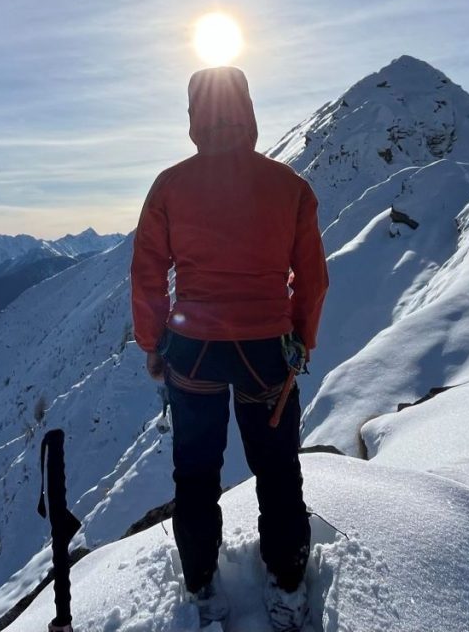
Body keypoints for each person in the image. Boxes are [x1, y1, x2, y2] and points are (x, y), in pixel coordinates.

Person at [130, 66, 328, 630]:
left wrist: (152, 343)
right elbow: (311, 279)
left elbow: (147, 274)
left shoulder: (170, 186)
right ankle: (288, 587)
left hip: (192, 352)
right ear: (248, 112)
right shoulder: (290, 187)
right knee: (278, 470)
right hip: (267, 351)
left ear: (194, 118)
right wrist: (302, 339)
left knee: (195, 474)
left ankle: (203, 589)